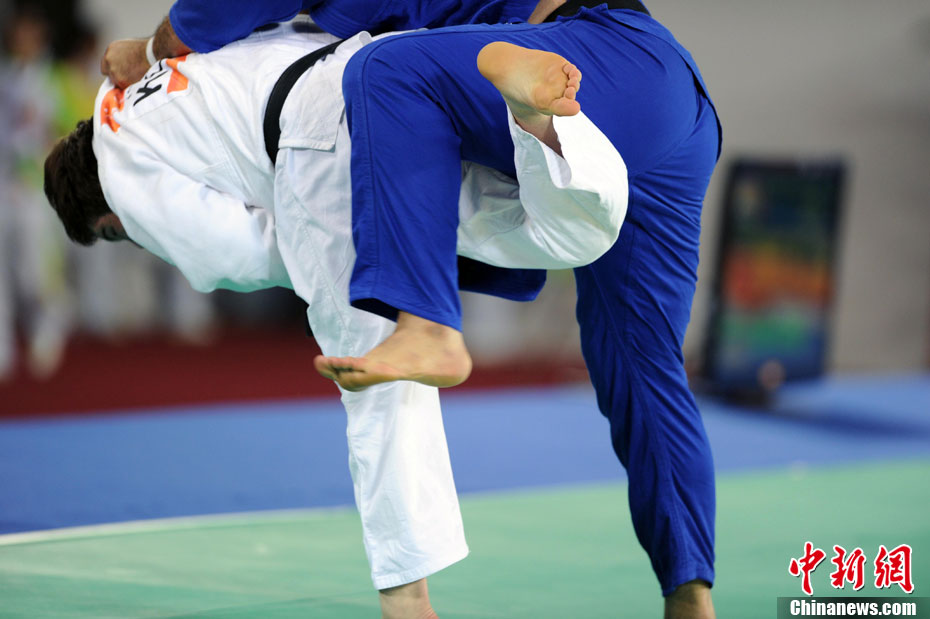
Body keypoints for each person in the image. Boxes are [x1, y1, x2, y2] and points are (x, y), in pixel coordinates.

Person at [100, 2, 720, 617]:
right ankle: (690, 593)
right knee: (643, 367)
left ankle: (428, 325)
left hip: (593, 62)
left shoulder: (149, 130)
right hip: (670, 97)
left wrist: (154, 49)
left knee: (387, 70)